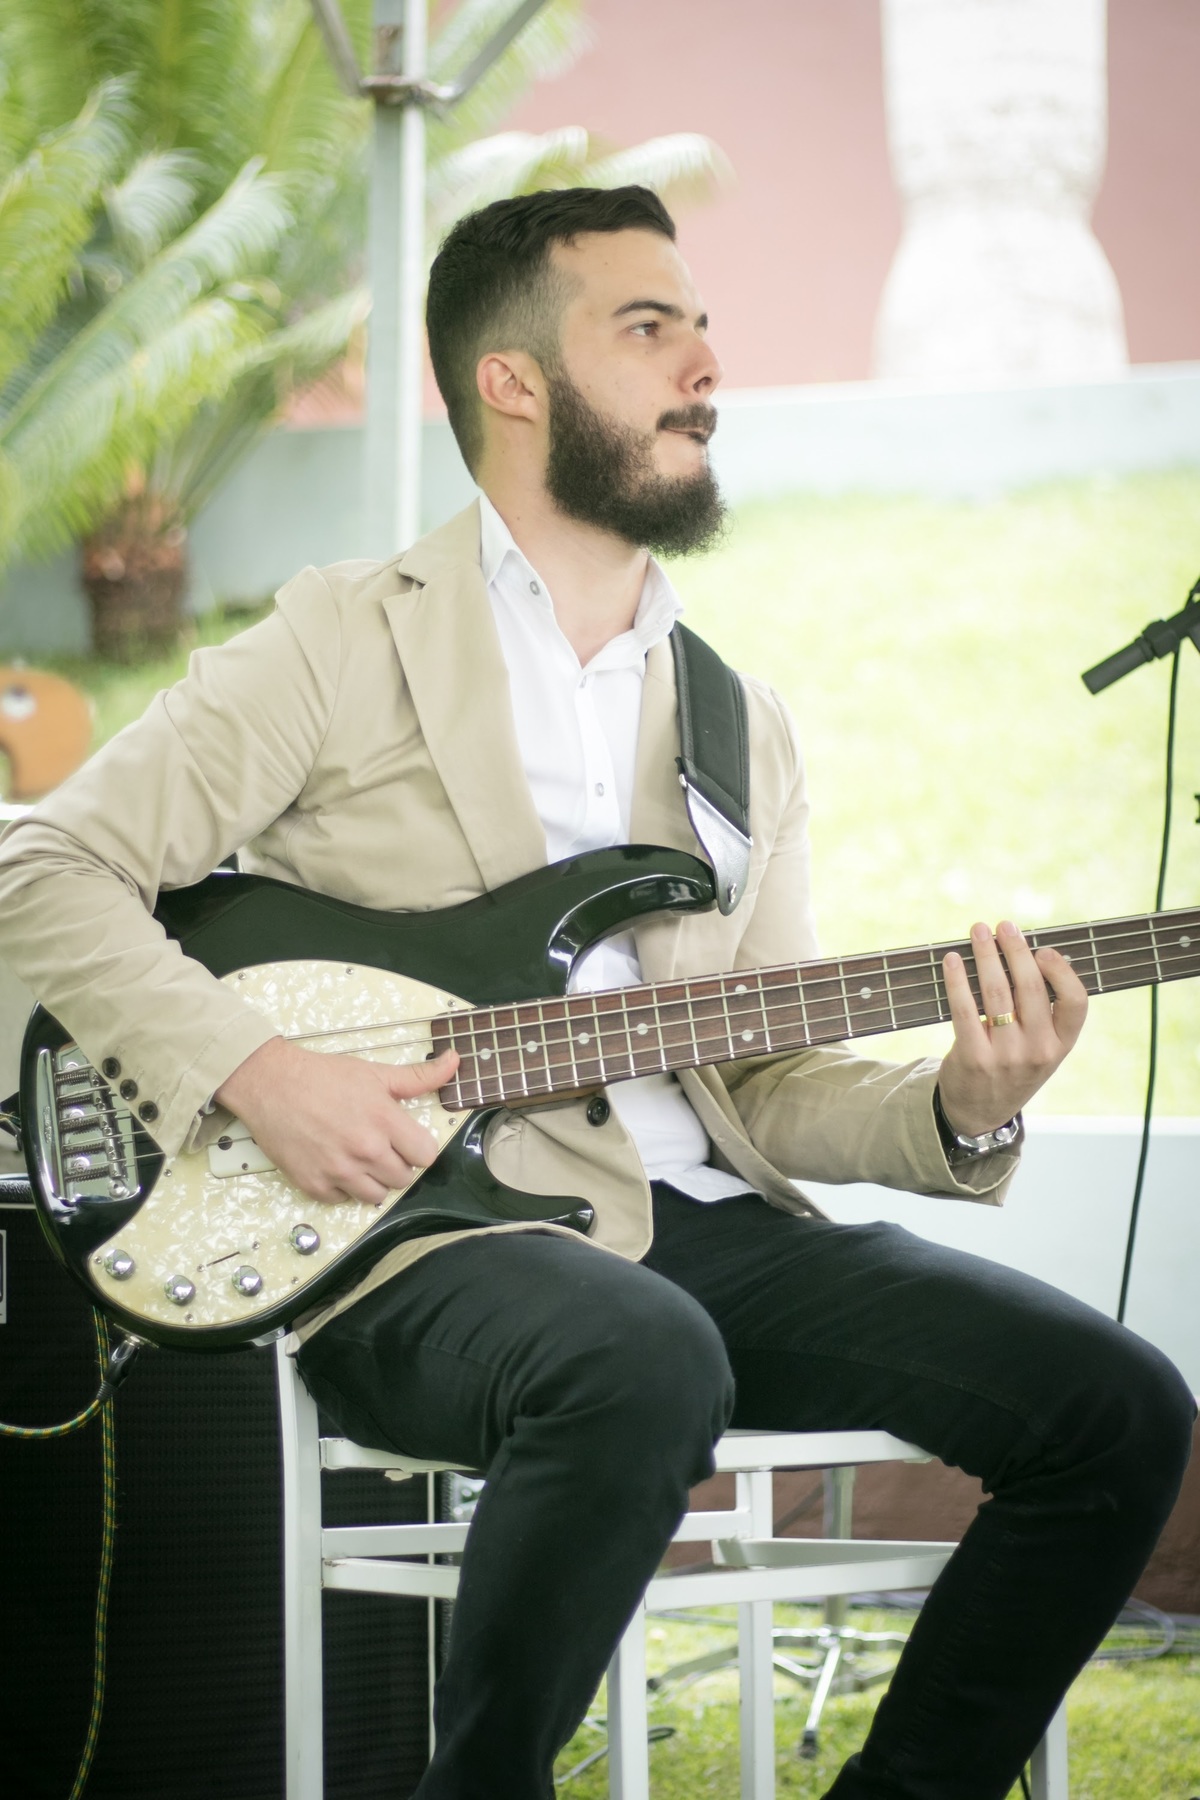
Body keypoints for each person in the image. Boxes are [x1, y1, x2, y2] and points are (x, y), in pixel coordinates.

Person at [0, 186, 1192, 1800]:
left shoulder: (736, 722)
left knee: (1117, 1405)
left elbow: (760, 1072)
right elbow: (44, 870)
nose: (706, 364)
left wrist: (958, 1106)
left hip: (700, 1232)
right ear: (513, 381)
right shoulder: (344, 641)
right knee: (642, 1355)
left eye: (701, 326)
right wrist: (258, 1074)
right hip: (421, 1244)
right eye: (649, 328)